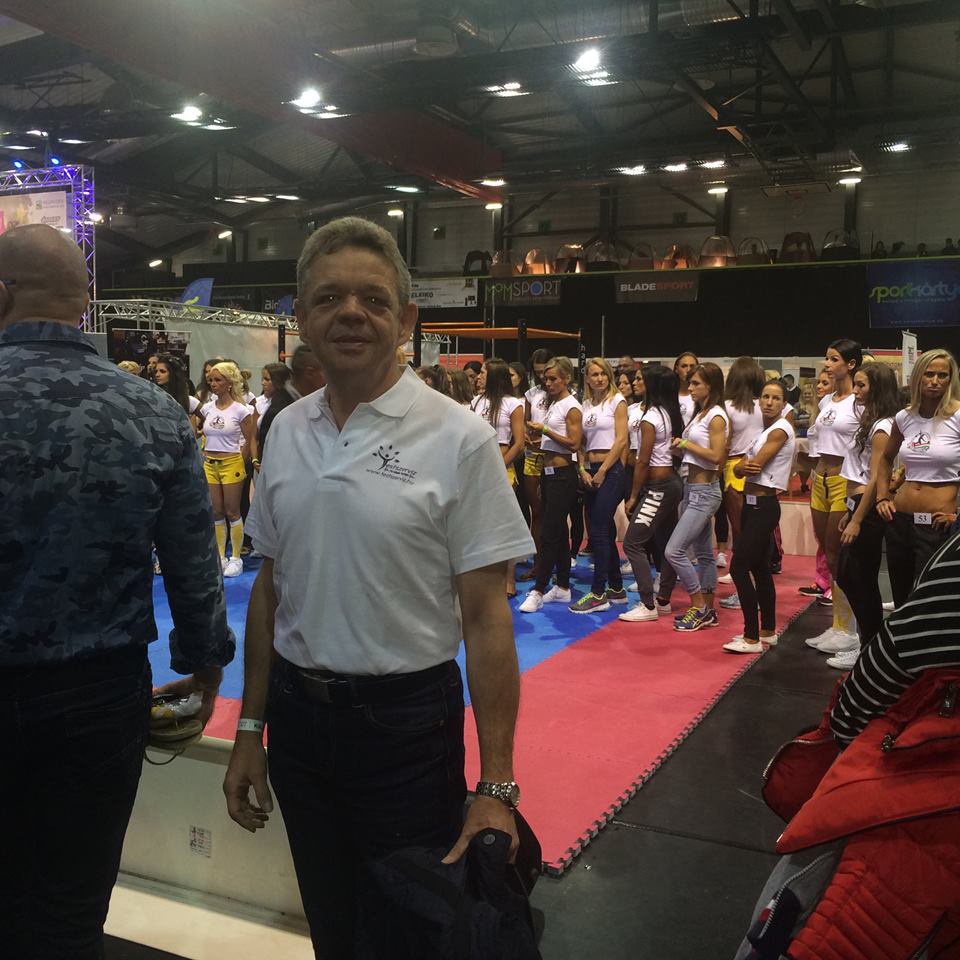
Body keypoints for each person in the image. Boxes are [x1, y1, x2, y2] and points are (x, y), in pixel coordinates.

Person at [222, 217, 533, 959]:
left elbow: (487, 618)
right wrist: (249, 729)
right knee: (331, 924)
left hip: (406, 729)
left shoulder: (459, 438)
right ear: (302, 319)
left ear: (407, 318)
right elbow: (271, 587)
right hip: (298, 724)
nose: (352, 314)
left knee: (411, 933)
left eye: (373, 298)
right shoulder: (286, 431)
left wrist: (496, 785)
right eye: (329, 298)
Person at [0, 224, 233, 959]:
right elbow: (194, 562)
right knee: (70, 910)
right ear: (82, 304)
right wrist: (204, 666)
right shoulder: (152, 411)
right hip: (97, 696)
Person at [872, 349, 960, 608]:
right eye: (929, 374)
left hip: (937, 525)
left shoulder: (957, 416)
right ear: (918, 377)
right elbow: (885, 460)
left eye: (942, 375)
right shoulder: (904, 417)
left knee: (929, 599)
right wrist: (882, 497)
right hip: (899, 520)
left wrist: (958, 518)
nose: (935, 381)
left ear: (951, 379)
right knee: (901, 597)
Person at [723, 380, 796, 653]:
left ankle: (751, 637)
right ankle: (767, 631)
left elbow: (752, 466)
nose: (769, 402)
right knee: (760, 568)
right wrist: (742, 468)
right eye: (765, 397)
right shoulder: (764, 432)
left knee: (738, 568)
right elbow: (741, 468)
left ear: (784, 403)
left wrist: (742, 467)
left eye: (776, 398)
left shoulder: (780, 429)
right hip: (753, 504)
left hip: (762, 506)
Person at [804, 340, 863, 654]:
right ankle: (838, 626)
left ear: (851, 364)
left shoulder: (859, 402)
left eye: (834, 359)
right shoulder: (827, 400)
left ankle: (849, 629)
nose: (827, 364)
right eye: (827, 358)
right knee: (828, 551)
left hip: (844, 479)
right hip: (820, 479)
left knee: (839, 553)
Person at [664, 362, 729, 631]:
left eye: (696, 383)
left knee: (674, 551)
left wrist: (686, 444)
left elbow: (717, 456)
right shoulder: (701, 414)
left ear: (710, 386)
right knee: (703, 554)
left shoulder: (716, 416)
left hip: (705, 492)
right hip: (691, 488)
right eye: (690, 382)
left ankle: (699, 605)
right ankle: (708, 611)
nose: (690, 387)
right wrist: (681, 449)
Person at [519, 356, 583, 613]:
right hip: (548, 472)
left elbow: (574, 444)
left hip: (563, 474)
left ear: (566, 378)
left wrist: (545, 431)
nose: (548, 383)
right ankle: (563, 586)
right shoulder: (555, 404)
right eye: (546, 379)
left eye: (553, 378)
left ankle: (538, 590)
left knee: (549, 534)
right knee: (557, 533)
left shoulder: (572, 406)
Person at [619, 364, 683, 622]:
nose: (635, 383)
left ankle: (648, 605)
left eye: (640, 379)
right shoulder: (667, 412)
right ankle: (663, 600)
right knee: (667, 545)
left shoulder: (651, 417)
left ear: (651, 385)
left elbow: (643, 461)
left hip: (659, 488)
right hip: (669, 484)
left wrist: (634, 496)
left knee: (632, 543)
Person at [569, 357, 629, 613]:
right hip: (590, 471)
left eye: (603, 373)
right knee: (601, 529)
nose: (599, 378)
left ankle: (598, 593)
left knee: (599, 531)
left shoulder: (617, 401)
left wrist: (603, 471)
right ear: (587, 378)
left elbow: (621, 440)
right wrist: (582, 469)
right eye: (594, 374)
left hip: (611, 471)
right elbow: (580, 442)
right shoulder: (585, 405)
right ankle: (616, 588)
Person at [469, 358, 526, 597]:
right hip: (476, 470)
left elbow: (519, 443)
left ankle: (509, 579)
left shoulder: (513, 403)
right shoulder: (476, 401)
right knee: (480, 526)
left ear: (494, 376)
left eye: (483, 372)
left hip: (503, 468)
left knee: (504, 526)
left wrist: (499, 466)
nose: (479, 376)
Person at [200, 360, 256, 577]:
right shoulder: (207, 408)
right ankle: (221, 555)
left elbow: (249, 438)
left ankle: (236, 558)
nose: (213, 384)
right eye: (211, 380)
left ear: (229, 383)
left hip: (231, 462)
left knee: (233, 511)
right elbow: (204, 432)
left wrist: (241, 460)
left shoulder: (242, 410)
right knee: (216, 511)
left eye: (218, 380)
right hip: (210, 463)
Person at [719, 357, 766, 609]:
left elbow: (724, 444)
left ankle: (747, 588)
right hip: (759, 467)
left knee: (741, 532)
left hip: (735, 468)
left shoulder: (727, 407)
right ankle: (753, 583)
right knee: (754, 531)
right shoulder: (766, 405)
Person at [519, 348, 554, 583]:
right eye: (538, 372)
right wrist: (526, 434)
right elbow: (525, 423)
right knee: (537, 512)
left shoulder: (566, 394)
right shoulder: (531, 394)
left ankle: (557, 564)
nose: (542, 377)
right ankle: (539, 564)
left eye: (546, 371)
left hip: (556, 458)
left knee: (555, 513)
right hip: (533, 456)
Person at [674, 350, 699, 425]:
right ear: (676, 369)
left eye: (692, 366)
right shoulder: (668, 395)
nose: (688, 370)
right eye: (684, 366)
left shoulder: (701, 395)